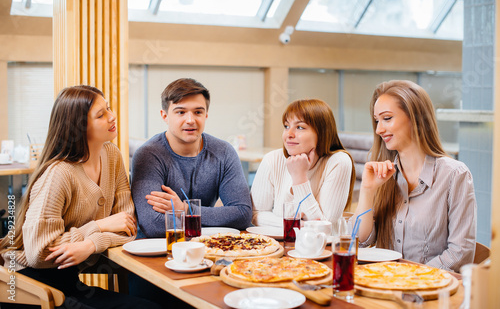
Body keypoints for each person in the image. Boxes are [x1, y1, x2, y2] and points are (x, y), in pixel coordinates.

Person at [0, 85, 160, 309]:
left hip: (67, 282)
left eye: (108, 108)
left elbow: (128, 227)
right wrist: (100, 226)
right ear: (80, 127)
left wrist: (92, 244)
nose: (112, 116)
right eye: (101, 114)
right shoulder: (58, 174)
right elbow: (40, 252)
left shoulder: (112, 155)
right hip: (26, 287)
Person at [354, 80, 476, 273]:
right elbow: (359, 242)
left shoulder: (454, 174)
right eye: (377, 121)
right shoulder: (384, 174)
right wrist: (368, 190)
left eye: (387, 118)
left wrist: (411, 277)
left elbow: (460, 252)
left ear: (415, 117)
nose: (378, 130)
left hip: (431, 291)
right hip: (385, 285)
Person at [131, 77, 252, 237]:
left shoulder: (224, 152)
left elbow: (242, 214)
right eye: (181, 112)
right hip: (157, 250)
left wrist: (185, 209)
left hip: (206, 248)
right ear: (165, 116)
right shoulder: (148, 155)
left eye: (198, 112)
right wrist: (212, 219)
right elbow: (153, 225)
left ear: (206, 115)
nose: (190, 120)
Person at [251, 99, 355, 227]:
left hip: (324, 246)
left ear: (322, 132)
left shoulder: (339, 161)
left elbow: (325, 228)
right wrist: (296, 225)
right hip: (278, 244)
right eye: (286, 126)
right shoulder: (272, 159)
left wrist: (299, 178)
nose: (289, 134)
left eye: (300, 127)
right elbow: (255, 214)